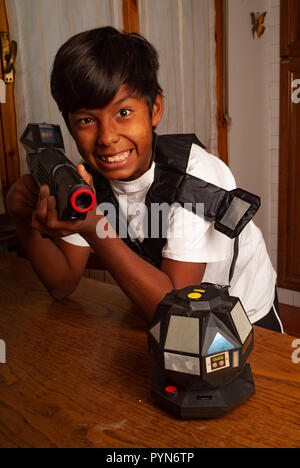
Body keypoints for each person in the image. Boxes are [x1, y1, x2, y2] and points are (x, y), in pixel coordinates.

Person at [6, 27, 283, 332]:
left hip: (246, 314)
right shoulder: (86, 181)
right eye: (87, 120)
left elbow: (175, 313)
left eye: (123, 112)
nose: (107, 137)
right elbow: (62, 284)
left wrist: (93, 227)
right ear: (71, 128)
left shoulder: (196, 179)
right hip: (166, 316)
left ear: (155, 109)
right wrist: (24, 220)